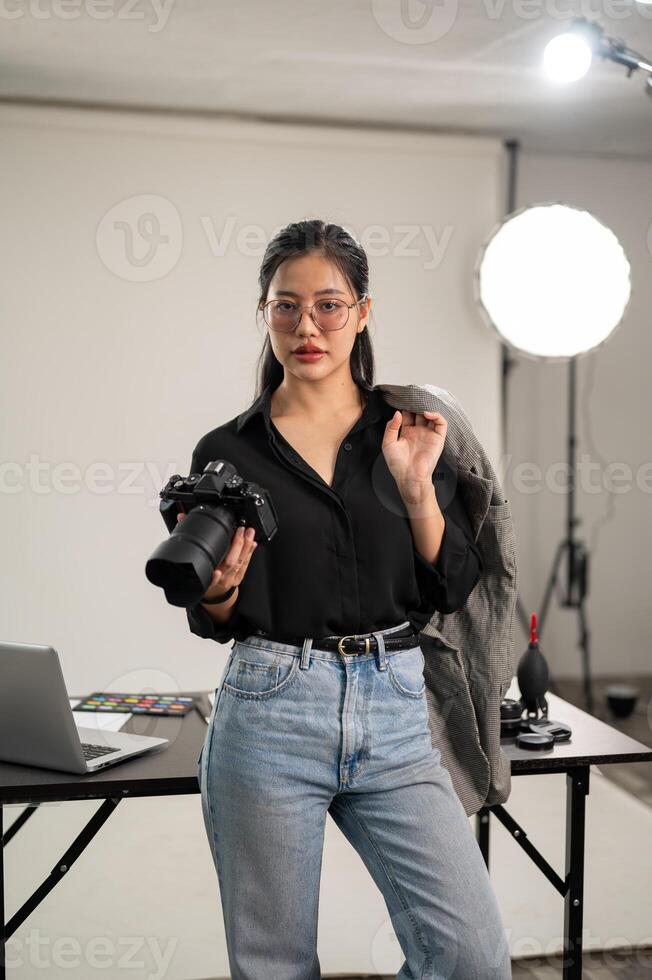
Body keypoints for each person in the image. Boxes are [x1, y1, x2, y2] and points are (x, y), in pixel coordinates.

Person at [181, 220, 512, 980]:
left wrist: (416, 488)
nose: (307, 326)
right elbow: (214, 617)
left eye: (329, 305)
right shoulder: (228, 451)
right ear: (263, 314)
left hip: (395, 709)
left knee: (470, 957)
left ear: (364, 311)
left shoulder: (412, 431)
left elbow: (449, 587)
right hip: (269, 708)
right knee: (275, 967)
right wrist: (224, 592)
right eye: (285, 306)